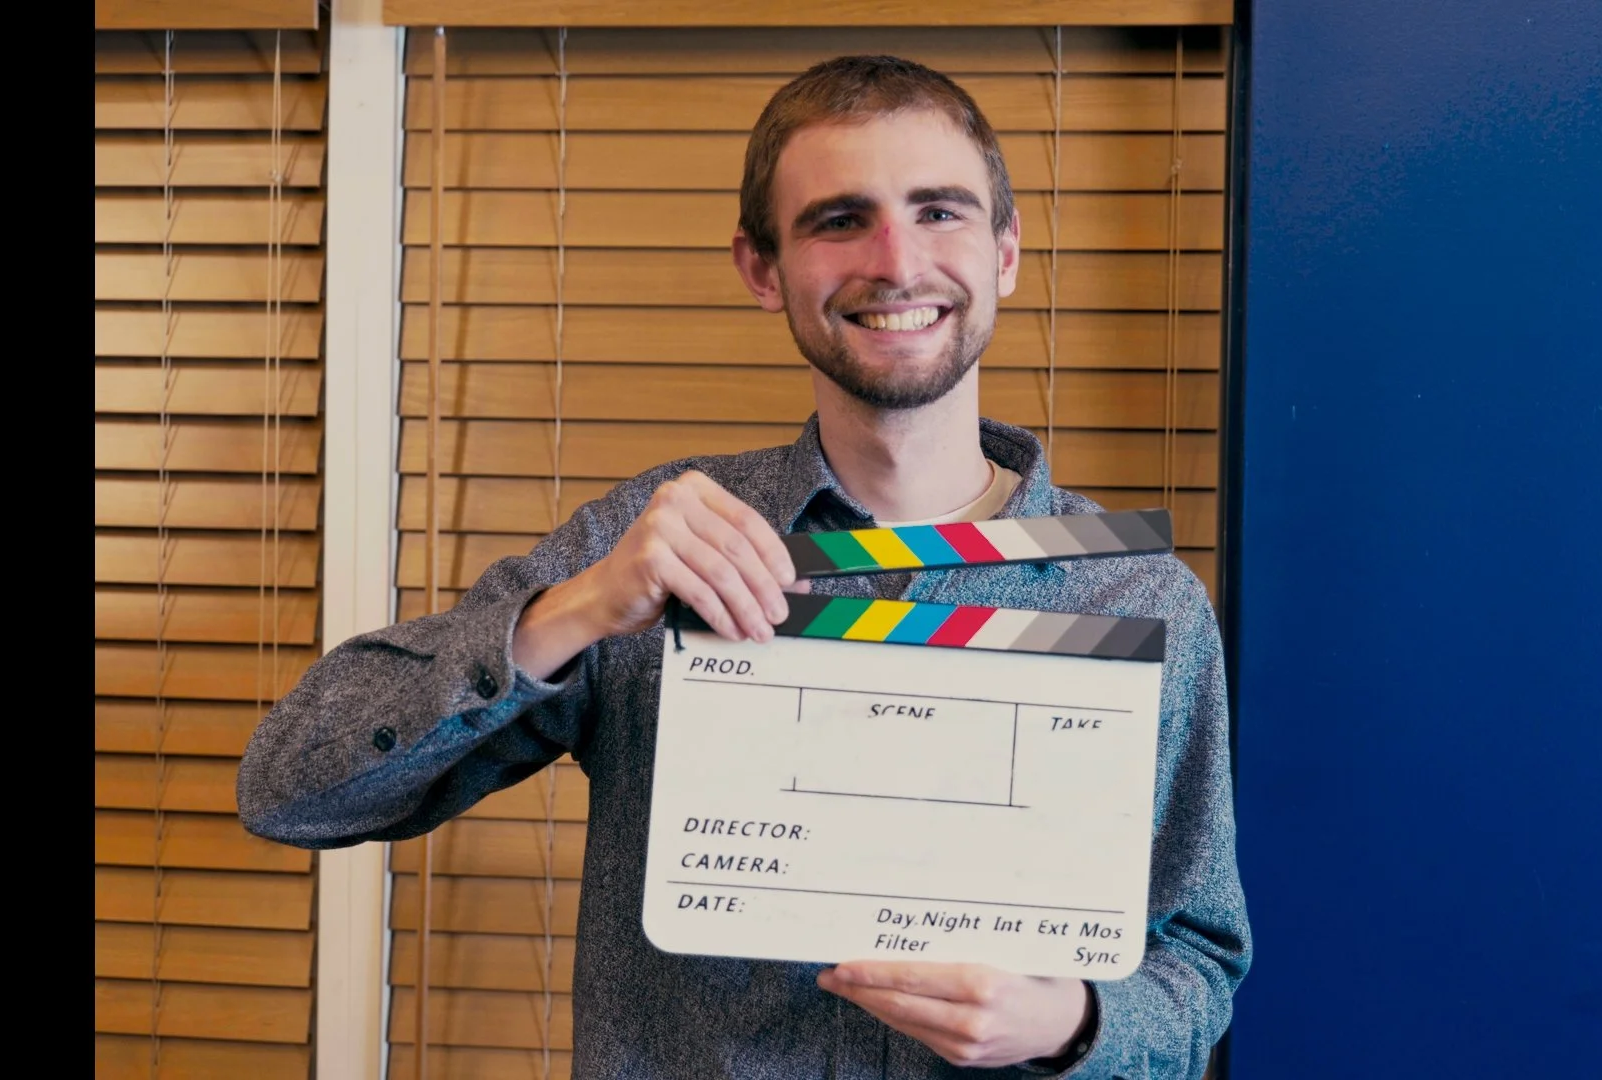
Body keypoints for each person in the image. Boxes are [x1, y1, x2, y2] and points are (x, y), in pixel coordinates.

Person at [239, 54, 1250, 1079]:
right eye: (839, 219)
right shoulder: (647, 542)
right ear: (762, 269)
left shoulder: (1138, 599)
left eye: (939, 210)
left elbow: (1199, 963)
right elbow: (290, 791)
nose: (896, 261)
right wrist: (573, 612)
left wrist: (1075, 1026)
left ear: (1005, 253)